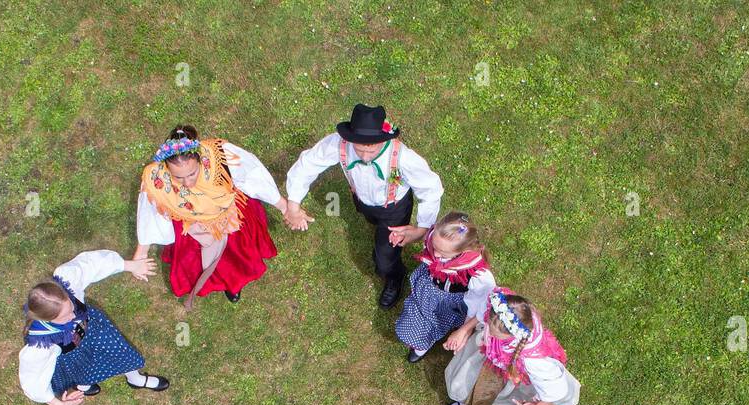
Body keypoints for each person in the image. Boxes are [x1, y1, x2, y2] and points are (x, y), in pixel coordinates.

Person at [283, 103, 444, 309]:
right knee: (368, 217)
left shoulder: (402, 157)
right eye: (359, 150)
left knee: (384, 259)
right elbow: (308, 164)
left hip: (393, 209)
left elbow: (430, 188)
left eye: (372, 151)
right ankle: (374, 225)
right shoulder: (339, 144)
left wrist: (422, 229)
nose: (366, 158)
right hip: (361, 199)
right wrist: (294, 204)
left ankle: (394, 276)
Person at [134, 125, 288, 308]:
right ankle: (219, 280)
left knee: (236, 258)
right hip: (192, 228)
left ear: (199, 159)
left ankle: (233, 284)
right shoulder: (156, 179)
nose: (187, 183)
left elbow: (253, 176)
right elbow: (151, 213)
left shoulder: (220, 156)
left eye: (192, 173)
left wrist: (285, 207)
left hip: (229, 220)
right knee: (199, 264)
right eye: (178, 177)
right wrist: (141, 253)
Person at [18, 249, 169, 405]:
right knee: (81, 372)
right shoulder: (41, 345)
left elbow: (91, 264)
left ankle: (135, 379)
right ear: (48, 319)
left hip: (94, 332)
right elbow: (32, 379)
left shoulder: (66, 280)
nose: (73, 316)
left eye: (71, 307)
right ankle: (83, 385)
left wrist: (129, 265)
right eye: (65, 317)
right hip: (72, 356)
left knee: (121, 353)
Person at [438, 288, 579, 405]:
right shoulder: (504, 305)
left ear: (513, 336)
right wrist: (464, 330)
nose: (490, 334)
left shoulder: (534, 362)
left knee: (483, 388)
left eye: (495, 334)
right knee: (469, 377)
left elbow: (556, 390)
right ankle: (465, 401)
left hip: (507, 371)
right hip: (490, 353)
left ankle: (467, 403)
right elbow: (484, 313)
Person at [389, 211, 495, 363]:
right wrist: (406, 236)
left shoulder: (479, 276)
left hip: (446, 304)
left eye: (443, 254)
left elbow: (486, 304)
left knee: (429, 327)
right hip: (428, 288)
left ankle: (422, 344)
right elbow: (425, 237)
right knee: (412, 315)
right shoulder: (438, 238)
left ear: (463, 251)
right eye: (434, 246)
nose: (436, 255)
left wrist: (466, 329)